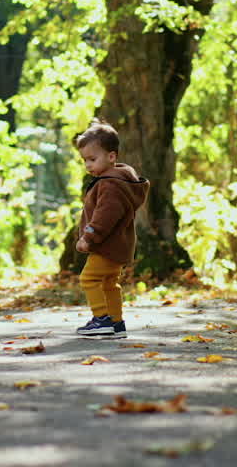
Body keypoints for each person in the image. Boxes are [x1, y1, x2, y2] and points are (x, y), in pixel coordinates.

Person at [73, 119, 149, 339]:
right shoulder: (118, 182)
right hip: (118, 246)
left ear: (111, 156)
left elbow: (105, 216)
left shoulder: (110, 184)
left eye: (92, 159)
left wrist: (89, 236)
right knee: (109, 283)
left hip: (106, 245)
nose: (88, 165)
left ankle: (101, 319)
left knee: (89, 279)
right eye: (85, 160)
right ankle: (116, 323)